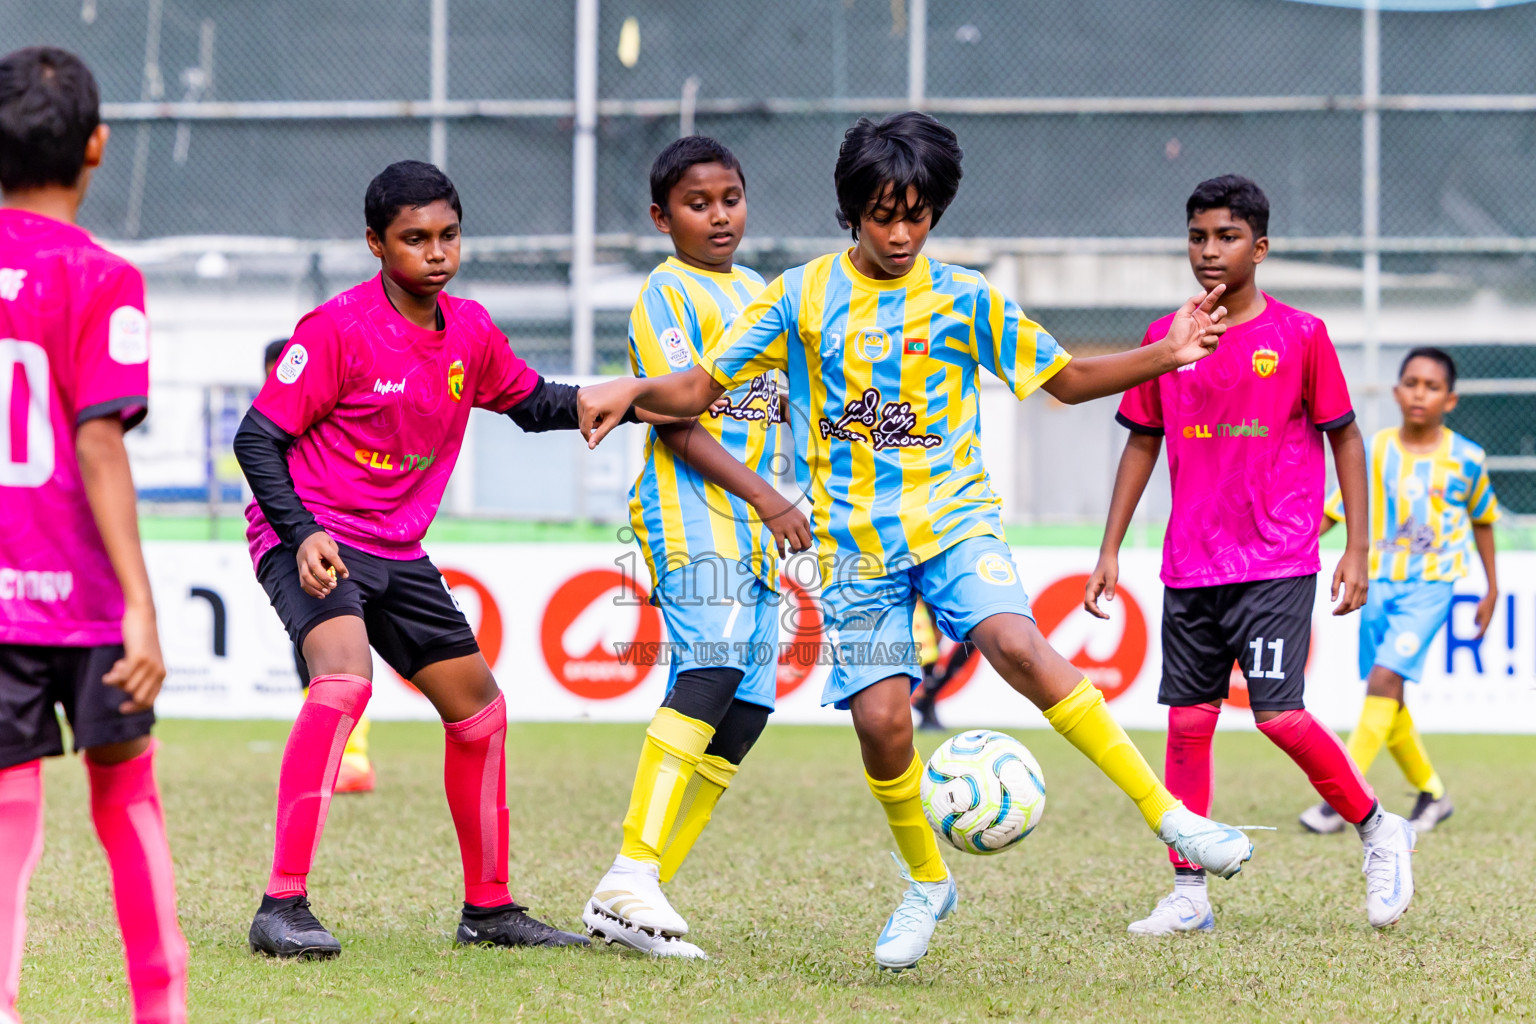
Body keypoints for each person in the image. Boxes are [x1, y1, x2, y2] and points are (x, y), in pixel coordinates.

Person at [577, 111, 1255, 972]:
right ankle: (928, 882)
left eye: (917, 215)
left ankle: (1170, 816)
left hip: (954, 519)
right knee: (884, 724)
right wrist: (624, 389)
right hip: (856, 550)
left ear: (936, 211)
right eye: (882, 214)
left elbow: (1069, 381)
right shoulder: (798, 294)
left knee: (1016, 641)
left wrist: (1169, 353)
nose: (900, 233)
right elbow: (699, 384)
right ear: (849, 212)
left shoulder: (965, 296)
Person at [234, 160, 674, 958]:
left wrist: (612, 397)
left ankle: (490, 911)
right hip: (312, 533)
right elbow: (256, 439)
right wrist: (301, 533)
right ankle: (281, 906)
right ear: (376, 244)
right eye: (414, 239)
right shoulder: (337, 329)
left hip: (395, 547)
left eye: (448, 236)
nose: (436, 253)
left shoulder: (468, 330)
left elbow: (531, 401)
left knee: (481, 713)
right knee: (341, 682)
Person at [1085, 174, 1416, 935]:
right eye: (1198, 237)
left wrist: (1357, 548)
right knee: (1187, 723)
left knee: (1278, 718)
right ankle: (1189, 894)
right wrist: (1110, 548)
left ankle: (1377, 828)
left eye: (1227, 237)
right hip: (1190, 562)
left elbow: (1347, 437)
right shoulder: (1166, 337)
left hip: (1277, 556)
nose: (1210, 251)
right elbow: (1142, 441)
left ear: (1259, 248)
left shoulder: (1301, 335)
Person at [582, 136, 813, 959]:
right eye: (697, 203)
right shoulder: (665, 294)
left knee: (744, 713)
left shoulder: (761, 292)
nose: (719, 216)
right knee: (709, 671)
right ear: (661, 216)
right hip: (693, 515)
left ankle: (633, 898)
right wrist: (763, 492)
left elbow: (788, 410)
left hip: (759, 533)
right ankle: (631, 871)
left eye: (731, 199)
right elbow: (677, 419)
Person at [0, 46, 188, 1023]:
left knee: (4, 810)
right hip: (80, 595)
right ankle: (161, 1011)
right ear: (98, 148)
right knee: (127, 799)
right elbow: (99, 443)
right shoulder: (99, 276)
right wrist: (142, 606)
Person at [1299, 347, 1497, 836]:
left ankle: (1342, 796)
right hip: (1377, 585)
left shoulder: (1467, 459)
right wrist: (1288, 544)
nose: (1419, 394)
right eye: (1411, 383)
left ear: (1449, 400)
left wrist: (1492, 589)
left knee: (1384, 680)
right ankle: (1432, 794)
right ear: (1396, 391)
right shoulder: (1377, 449)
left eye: (1432, 387)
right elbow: (1337, 509)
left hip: (1431, 589)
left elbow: (1484, 522)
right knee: (1389, 696)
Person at [261, 339, 376, 794]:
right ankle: (337, 754)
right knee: (313, 655)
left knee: (342, 658)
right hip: (289, 547)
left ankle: (353, 758)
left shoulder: (323, 416)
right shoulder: (269, 425)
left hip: (333, 541)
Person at [909, 599, 977, 731]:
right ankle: (928, 708)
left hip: (949, 600)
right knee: (929, 659)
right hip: (927, 604)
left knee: (969, 645)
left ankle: (927, 701)